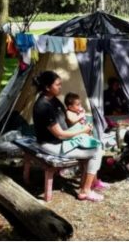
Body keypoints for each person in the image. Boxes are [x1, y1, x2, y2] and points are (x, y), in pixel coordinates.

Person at [32, 71, 109, 202]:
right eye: (57, 85)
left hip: (61, 141)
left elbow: (66, 122)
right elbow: (60, 134)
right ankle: (85, 191)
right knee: (96, 152)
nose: (60, 87)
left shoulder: (54, 100)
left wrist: (80, 121)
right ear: (47, 87)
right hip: (51, 145)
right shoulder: (43, 106)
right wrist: (82, 131)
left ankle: (93, 182)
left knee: (95, 143)